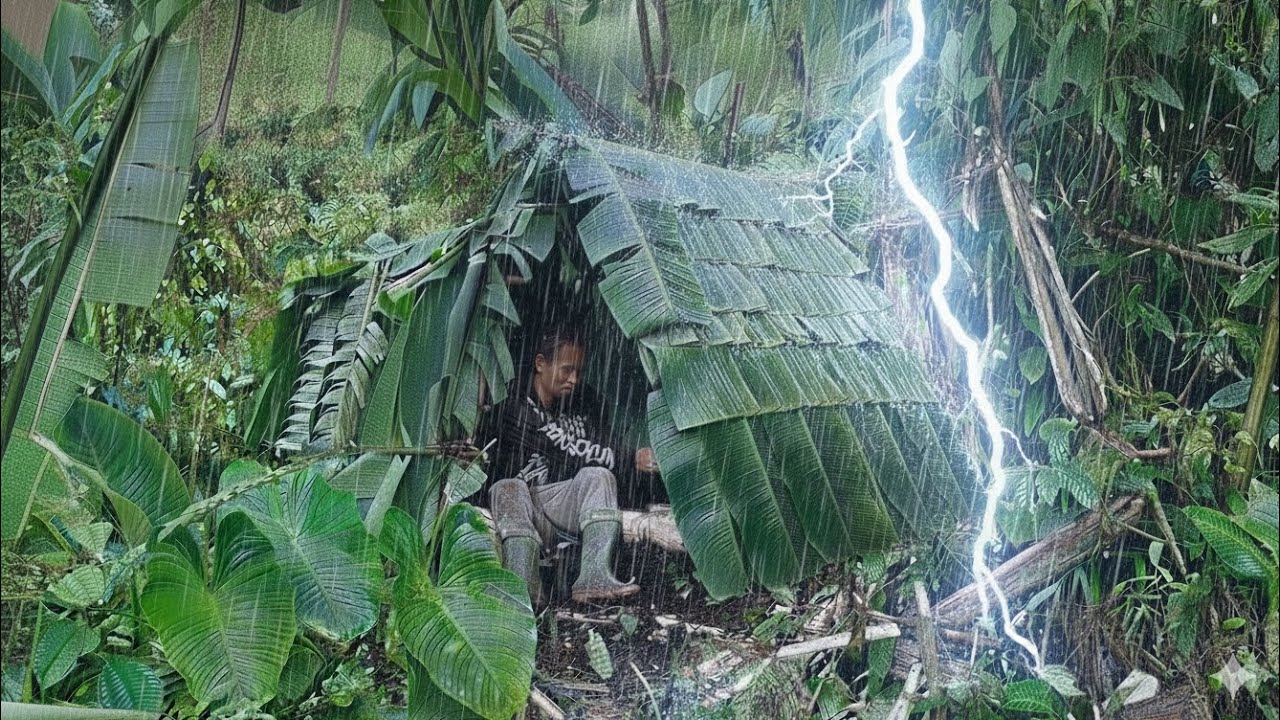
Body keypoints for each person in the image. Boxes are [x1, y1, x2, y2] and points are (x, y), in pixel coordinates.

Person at [484, 324, 659, 607]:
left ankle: (594, 577)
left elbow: (606, 446)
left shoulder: (586, 401)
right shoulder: (514, 404)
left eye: (578, 371)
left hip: (564, 503)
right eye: (566, 370)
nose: (574, 379)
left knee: (598, 475)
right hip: (520, 504)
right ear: (540, 364)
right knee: (509, 487)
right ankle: (523, 592)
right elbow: (564, 450)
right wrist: (630, 459)